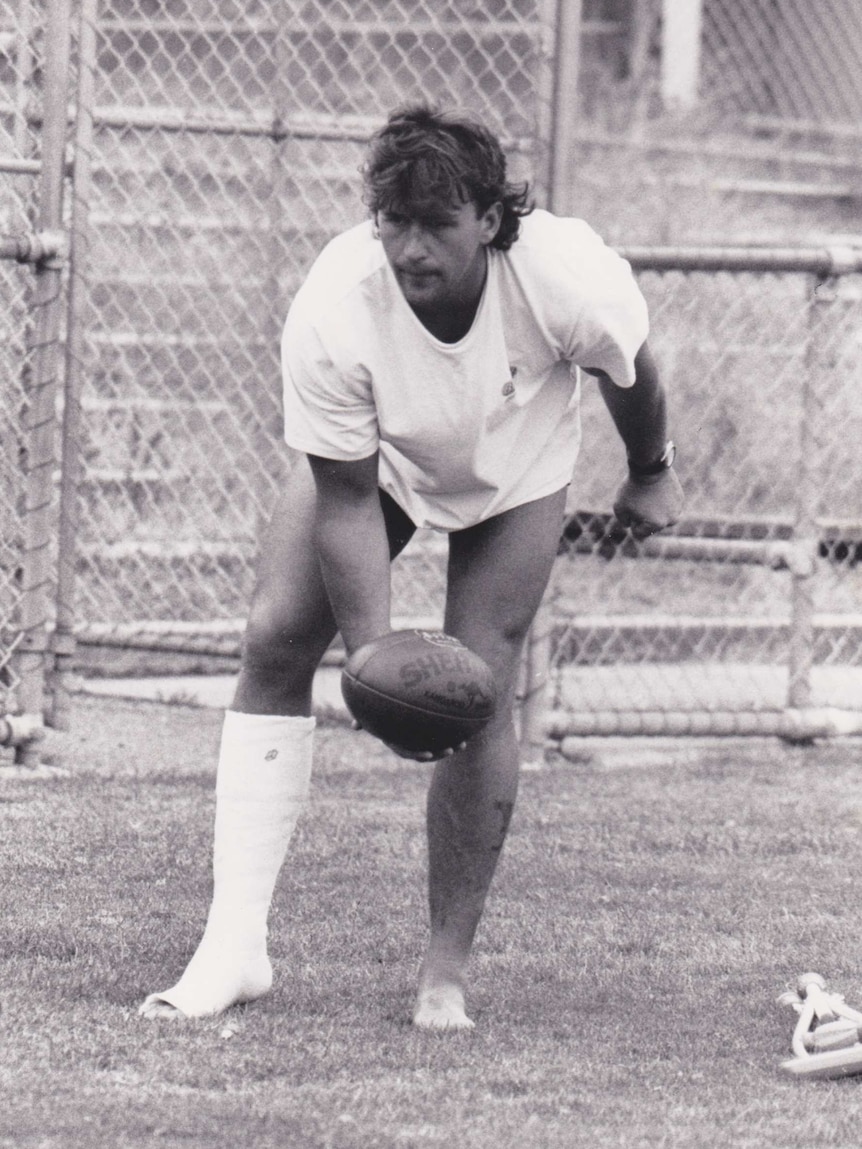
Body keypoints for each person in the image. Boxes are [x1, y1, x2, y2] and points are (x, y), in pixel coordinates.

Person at [139, 104, 684, 1031]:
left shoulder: (564, 274)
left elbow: (632, 371)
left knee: (482, 685)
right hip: (382, 460)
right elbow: (346, 498)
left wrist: (649, 473)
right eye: (394, 219)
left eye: (436, 222)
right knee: (273, 636)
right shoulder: (335, 302)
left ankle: (443, 975)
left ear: (489, 218)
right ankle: (233, 948)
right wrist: (375, 662)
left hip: (516, 464)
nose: (411, 245)